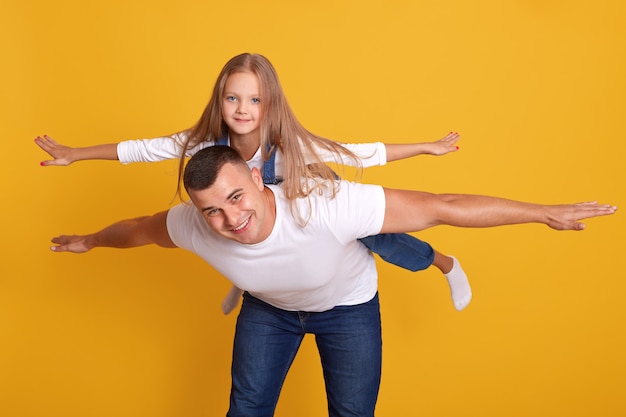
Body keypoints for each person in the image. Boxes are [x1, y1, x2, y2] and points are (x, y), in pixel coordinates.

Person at [50, 145, 616, 417]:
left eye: (236, 198)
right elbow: (141, 230)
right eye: (212, 211)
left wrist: (543, 211)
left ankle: (440, 264)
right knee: (245, 410)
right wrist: (91, 241)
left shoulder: (324, 203)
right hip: (269, 311)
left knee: (351, 414)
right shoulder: (195, 224)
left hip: (347, 309)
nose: (229, 219)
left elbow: (442, 204)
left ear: (256, 176)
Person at [35, 52, 472, 312]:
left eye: (255, 100)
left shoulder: (292, 143)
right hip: (251, 216)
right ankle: (247, 279)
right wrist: (75, 154)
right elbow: (141, 149)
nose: (242, 109)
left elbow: (360, 153)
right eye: (233, 98)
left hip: (308, 201)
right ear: (220, 100)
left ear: (270, 103)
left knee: (377, 239)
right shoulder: (205, 139)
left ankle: (443, 263)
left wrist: (424, 147)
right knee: (227, 229)